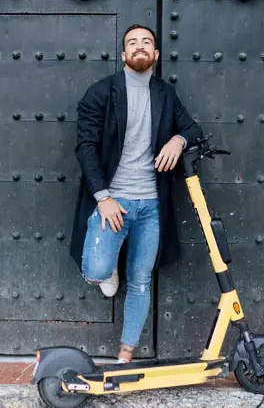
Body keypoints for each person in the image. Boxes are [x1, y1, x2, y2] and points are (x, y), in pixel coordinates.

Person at [70, 24, 203, 364]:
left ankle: (125, 355)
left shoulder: (165, 94)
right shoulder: (101, 92)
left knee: (141, 281)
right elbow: (85, 147)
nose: (140, 47)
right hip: (113, 201)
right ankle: (110, 266)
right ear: (124, 54)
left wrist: (179, 140)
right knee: (97, 271)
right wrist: (103, 197)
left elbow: (192, 129)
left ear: (156, 54)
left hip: (151, 207)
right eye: (133, 43)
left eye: (147, 42)